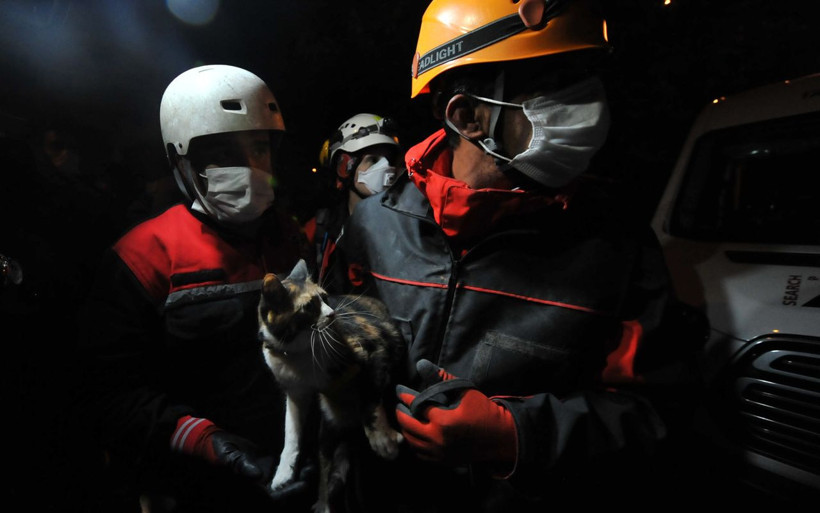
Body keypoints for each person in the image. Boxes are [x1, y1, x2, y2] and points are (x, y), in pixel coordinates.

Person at [327, 0, 693, 510]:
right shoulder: (373, 225)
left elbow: (660, 415)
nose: (586, 101)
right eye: (553, 81)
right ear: (467, 116)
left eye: (585, 75)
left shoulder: (617, 245)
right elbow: (333, 352)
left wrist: (515, 436)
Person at [69, 64, 314, 512]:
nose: (250, 168)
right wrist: (206, 442)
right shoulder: (143, 256)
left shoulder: (289, 237)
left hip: (297, 467)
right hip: (197, 485)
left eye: (259, 148)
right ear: (181, 161)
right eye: (222, 152)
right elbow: (109, 393)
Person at [303, 112, 402, 285]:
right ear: (345, 167)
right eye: (373, 160)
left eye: (389, 160)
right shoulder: (320, 229)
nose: (386, 167)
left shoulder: (406, 227)